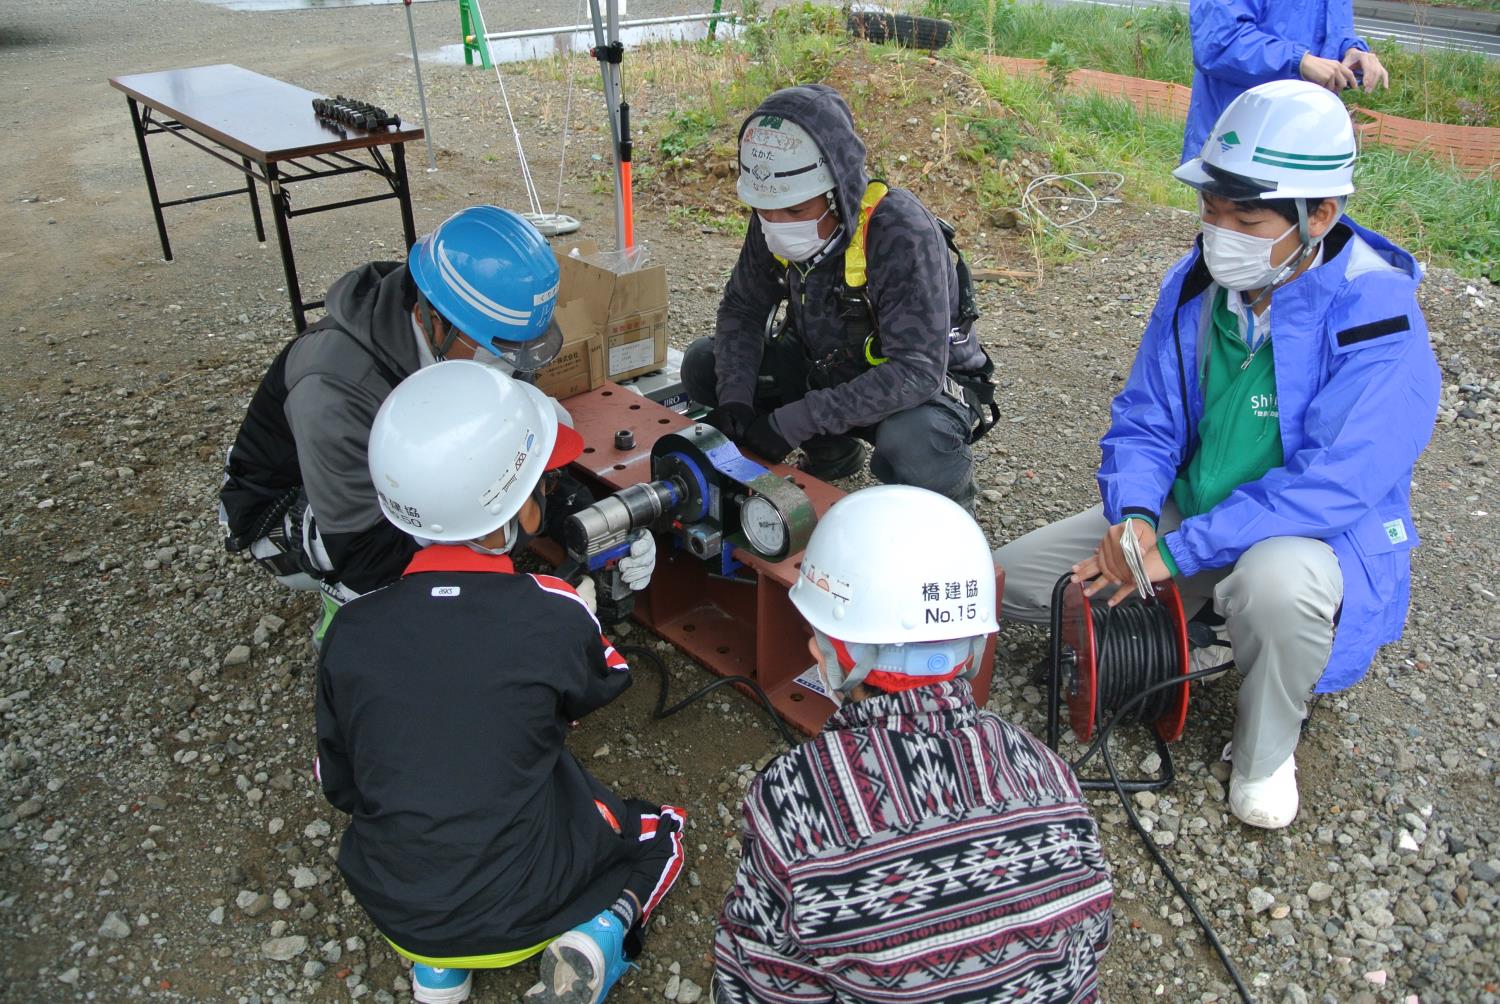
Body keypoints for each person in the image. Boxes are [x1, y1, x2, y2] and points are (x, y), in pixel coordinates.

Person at [996, 80, 1440, 830]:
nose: (1219, 229)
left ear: (1321, 214)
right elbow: (1147, 418)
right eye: (1210, 208)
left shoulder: (1377, 315)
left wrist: (1176, 552)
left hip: (1309, 539)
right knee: (1009, 582)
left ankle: (1266, 752)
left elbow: (1333, 486)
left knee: (1275, 590)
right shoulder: (1200, 283)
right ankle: (1201, 623)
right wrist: (1136, 517)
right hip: (1194, 512)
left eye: (1246, 214)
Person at [316, 360, 686, 1004]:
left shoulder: (349, 630)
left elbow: (342, 785)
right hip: (524, 903)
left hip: (398, 908)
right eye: (540, 479)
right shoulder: (550, 610)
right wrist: (585, 615)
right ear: (508, 507)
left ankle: (438, 970)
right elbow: (605, 680)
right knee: (659, 831)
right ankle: (602, 932)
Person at [714, 485, 1113, 1002]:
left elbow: (760, 982)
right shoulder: (1044, 770)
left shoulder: (794, 799)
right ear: (972, 645)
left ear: (826, 651)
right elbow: (1089, 942)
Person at [218, 205, 654, 642]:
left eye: (518, 350)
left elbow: (527, 455)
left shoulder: (482, 327)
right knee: (456, 530)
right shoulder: (336, 387)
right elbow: (362, 554)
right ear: (432, 318)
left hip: (384, 477)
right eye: (495, 349)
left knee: (508, 467)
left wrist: (595, 527)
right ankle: (348, 621)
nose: (508, 366)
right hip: (293, 516)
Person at [681, 84, 998, 509]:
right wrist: (735, 397)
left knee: (914, 443)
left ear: (838, 191)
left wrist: (791, 422)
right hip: (826, 364)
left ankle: (949, 519)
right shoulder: (770, 222)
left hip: (923, 385)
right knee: (706, 363)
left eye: (795, 211)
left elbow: (917, 371)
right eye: (765, 209)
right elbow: (743, 308)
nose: (776, 224)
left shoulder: (900, 232)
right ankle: (833, 453)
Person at [1183, 0, 1389, 162]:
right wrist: (1299, 61)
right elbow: (1216, 43)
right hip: (1239, 137)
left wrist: (1351, 51)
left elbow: (1331, 30)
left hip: (1305, 136)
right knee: (1245, 214)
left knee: (1303, 213)